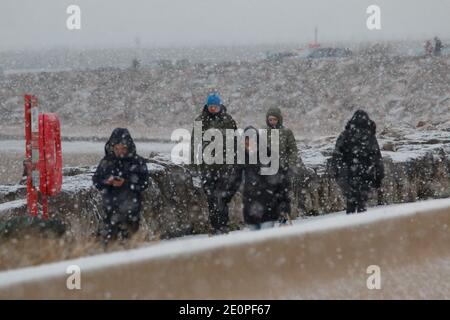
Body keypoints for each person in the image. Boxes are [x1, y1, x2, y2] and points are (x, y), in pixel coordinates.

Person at [191, 93, 238, 234]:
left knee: (223, 197)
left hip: (225, 166)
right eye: (211, 106)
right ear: (207, 106)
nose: (213, 108)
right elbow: (195, 144)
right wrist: (194, 166)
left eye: (215, 106)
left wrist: (235, 161)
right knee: (211, 198)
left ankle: (223, 225)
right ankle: (215, 225)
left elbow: (235, 142)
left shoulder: (228, 120)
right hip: (207, 166)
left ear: (219, 106)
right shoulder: (200, 121)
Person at [93, 128, 149, 243]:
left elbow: (144, 184)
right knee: (108, 243)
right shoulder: (106, 162)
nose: (120, 151)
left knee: (128, 242)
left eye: (123, 148)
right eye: (116, 148)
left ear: (128, 147)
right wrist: (106, 182)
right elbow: (96, 180)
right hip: (109, 211)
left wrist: (126, 184)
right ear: (112, 147)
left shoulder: (138, 162)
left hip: (131, 212)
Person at [330, 110, 384, 214]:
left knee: (350, 201)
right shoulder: (370, 137)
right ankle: (361, 225)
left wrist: (336, 172)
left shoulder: (344, 135)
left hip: (348, 174)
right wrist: (379, 177)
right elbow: (377, 158)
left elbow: (336, 155)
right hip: (366, 173)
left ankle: (350, 224)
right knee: (362, 202)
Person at [229, 126, 279, 230]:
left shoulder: (268, 155)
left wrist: (284, 204)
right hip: (249, 207)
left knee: (266, 238)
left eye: (251, 142)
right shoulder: (241, 158)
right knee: (254, 241)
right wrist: (223, 196)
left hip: (267, 205)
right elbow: (235, 180)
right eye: (246, 143)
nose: (249, 145)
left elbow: (280, 182)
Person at [264, 107, 304, 223]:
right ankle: (275, 215)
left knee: (284, 193)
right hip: (270, 169)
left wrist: (289, 164)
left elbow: (293, 150)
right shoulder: (264, 133)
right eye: (270, 120)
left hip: (283, 168)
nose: (272, 122)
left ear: (279, 119)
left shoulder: (286, 132)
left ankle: (285, 215)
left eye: (274, 119)